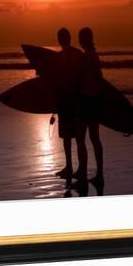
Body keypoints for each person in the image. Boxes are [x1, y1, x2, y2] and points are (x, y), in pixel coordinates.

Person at [74, 27, 104, 185]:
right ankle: (98, 174)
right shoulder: (94, 56)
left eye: (80, 38)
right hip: (95, 100)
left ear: (84, 39)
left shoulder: (88, 57)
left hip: (87, 101)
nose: (79, 41)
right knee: (94, 138)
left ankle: (83, 172)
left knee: (81, 138)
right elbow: (100, 79)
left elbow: (83, 79)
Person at [54, 27, 83, 180]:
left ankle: (74, 168)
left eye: (62, 37)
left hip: (71, 101)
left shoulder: (64, 57)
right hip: (70, 100)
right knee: (72, 136)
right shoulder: (77, 54)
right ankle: (72, 167)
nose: (62, 40)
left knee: (73, 137)